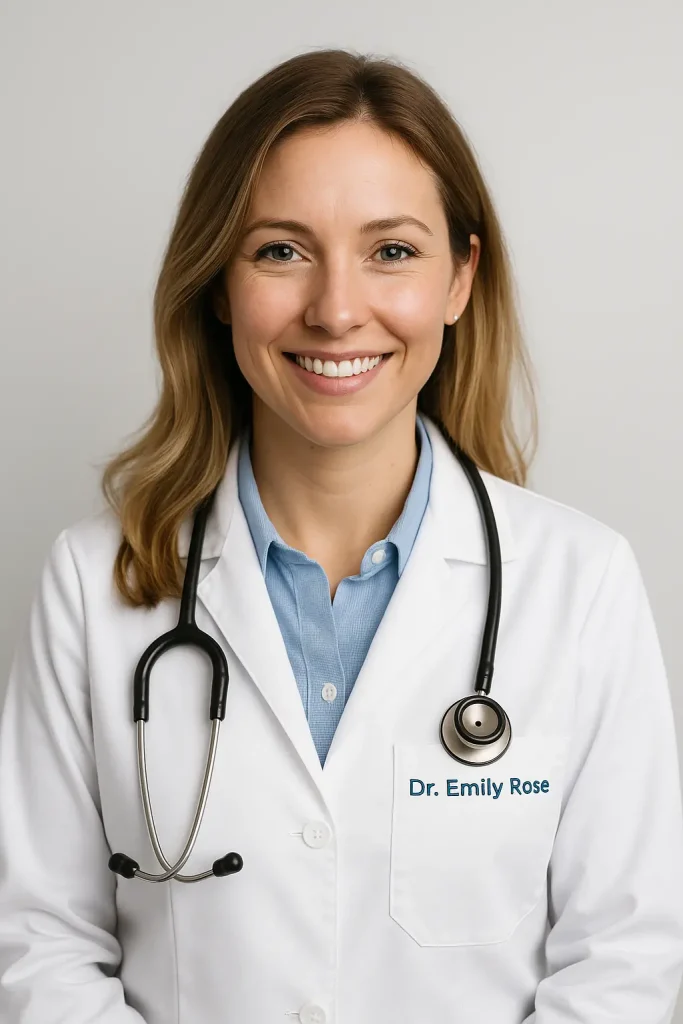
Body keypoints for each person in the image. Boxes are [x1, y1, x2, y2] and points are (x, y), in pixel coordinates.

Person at [1, 47, 682, 1024]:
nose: (333, 309)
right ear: (217, 282)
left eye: (391, 251)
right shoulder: (91, 582)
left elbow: (620, 961)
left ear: (458, 278)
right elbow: (40, 945)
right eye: (279, 249)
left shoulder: (580, 584)